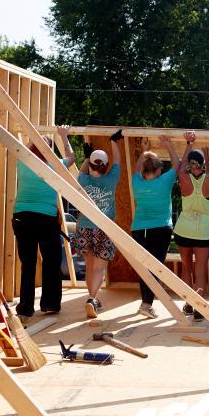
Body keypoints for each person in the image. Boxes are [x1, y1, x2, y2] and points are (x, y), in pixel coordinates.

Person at [12, 125, 75, 317]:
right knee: (51, 261)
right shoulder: (53, 165)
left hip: (22, 218)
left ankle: (25, 308)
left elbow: (26, 148)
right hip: (45, 220)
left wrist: (35, 138)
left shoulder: (23, 162)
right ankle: (49, 304)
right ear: (49, 151)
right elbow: (72, 158)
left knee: (28, 264)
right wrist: (63, 137)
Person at [131, 134, 182, 318]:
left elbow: (138, 168)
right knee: (156, 267)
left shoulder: (136, 181)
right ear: (159, 170)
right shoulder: (164, 181)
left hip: (138, 229)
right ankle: (147, 304)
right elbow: (177, 164)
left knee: (144, 268)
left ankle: (145, 303)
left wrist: (144, 151)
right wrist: (168, 145)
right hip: (160, 229)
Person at [76, 131, 123, 320]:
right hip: (104, 228)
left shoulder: (83, 180)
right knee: (98, 269)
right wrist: (113, 142)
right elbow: (118, 161)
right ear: (105, 166)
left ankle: (92, 299)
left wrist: (87, 158)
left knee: (89, 267)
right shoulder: (111, 179)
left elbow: (81, 170)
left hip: (84, 228)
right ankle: (92, 298)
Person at [172, 131, 209, 322]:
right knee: (200, 270)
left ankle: (189, 303)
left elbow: (181, 167)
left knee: (186, 267)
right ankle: (199, 307)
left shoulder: (183, 177)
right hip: (204, 231)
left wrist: (189, 143)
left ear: (190, 164)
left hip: (184, 229)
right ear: (204, 164)